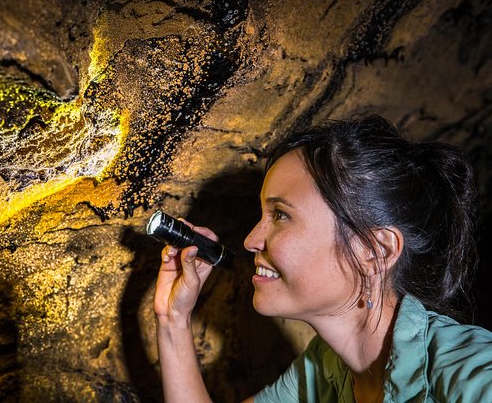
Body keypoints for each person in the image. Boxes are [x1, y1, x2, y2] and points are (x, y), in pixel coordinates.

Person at [153, 115, 492, 402]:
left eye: (281, 215)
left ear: (375, 251)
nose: (251, 240)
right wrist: (173, 319)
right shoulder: (325, 366)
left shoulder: (470, 373)